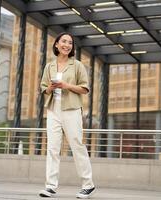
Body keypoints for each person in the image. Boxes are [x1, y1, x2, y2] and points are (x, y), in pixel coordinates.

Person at [39, 32, 95, 199]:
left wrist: (66, 85)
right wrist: (50, 87)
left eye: (70, 42)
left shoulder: (77, 65)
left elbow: (85, 88)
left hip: (71, 110)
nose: (67, 45)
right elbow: (43, 89)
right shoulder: (49, 66)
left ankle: (88, 184)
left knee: (77, 146)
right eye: (63, 41)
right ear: (56, 44)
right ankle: (50, 186)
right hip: (53, 110)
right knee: (53, 148)